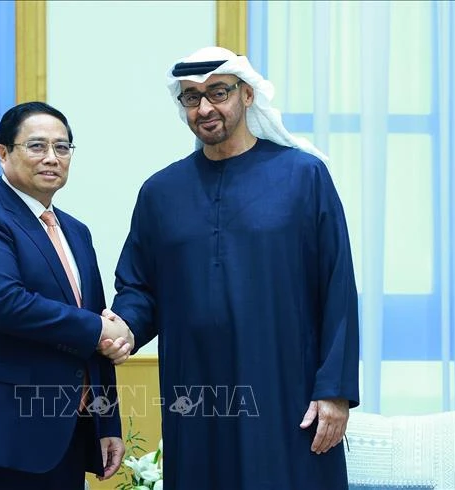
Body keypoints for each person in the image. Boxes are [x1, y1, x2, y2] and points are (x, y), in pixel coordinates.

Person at [105, 47, 360, 489]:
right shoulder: (160, 192)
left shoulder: (304, 176)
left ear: (246, 95)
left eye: (217, 93)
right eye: (191, 98)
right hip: (196, 393)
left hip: (286, 390)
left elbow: (337, 286)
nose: (204, 108)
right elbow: (139, 286)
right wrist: (124, 326)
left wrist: (334, 391)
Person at [0, 101, 132, 490]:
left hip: (66, 437)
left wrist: (107, 423)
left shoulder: (76, 231)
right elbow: (5, 303)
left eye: (62, 147)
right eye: (37, 146)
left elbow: (94, 328)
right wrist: (100, 330)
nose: (52, 158)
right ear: (3, 153)